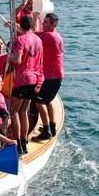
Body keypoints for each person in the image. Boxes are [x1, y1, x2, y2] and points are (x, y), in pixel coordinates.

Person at [9, 16, 43, 155]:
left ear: (21, 26)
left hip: (23, 79)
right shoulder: (38, 40)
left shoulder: (20, 40)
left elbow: (17, 60)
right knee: (24, 111)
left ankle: (18, 143)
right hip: (34, 78)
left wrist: (9, 57)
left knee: (15, 111)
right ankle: (24, 141)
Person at [32, 12, 64, 141]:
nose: (43, 24)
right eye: (43, 21)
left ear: (53, 24)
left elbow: (34, 37)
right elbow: (36, 33)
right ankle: (52, 126)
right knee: (48, 101)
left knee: (39, 102)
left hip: (53, 77)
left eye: (45, 22)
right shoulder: (53, 35)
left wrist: (34, 19)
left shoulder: (51, 37)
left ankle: (46, 131)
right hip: (54, 76)